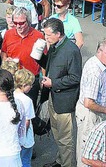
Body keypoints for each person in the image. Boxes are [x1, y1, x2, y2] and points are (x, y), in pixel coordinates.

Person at [37, 18, 82, 167]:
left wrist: (54, 83)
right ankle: (60, 161)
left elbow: (75, 78)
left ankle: (67, 164)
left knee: (66, 139)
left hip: (64, 102)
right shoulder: (54, 46)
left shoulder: (72, 50)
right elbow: (49, 65)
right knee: (57, 134)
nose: (46, 38)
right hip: (53, 97)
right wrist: (38, 57)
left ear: (58, 34)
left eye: (48, 35)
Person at [76, 37, 106, 167]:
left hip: (91, 113)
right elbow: (89, 102)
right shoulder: (95, 72)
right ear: (99, 51)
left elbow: (100, 82)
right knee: (87, 151)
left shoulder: (98, 64)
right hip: (90, 114)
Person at [1, 7, 44, 109]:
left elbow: (44, 60)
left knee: (29, 110)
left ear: (28, 21)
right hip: (13, 79)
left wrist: (43, 79)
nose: (18, 26)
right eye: (15, 23)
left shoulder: (38, 36)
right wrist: (5, 61)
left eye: (21, 23)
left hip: (30, 81)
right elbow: (4, 52)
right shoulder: (9, 34)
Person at [13, 69, 35, 167]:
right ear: (24, 85)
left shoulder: (10, 96)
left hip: (14, 137)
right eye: (30, 84)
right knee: (25, 162)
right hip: (25, 140)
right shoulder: (27, 100)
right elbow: (27, 121)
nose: (31, 87)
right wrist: (23, 137)